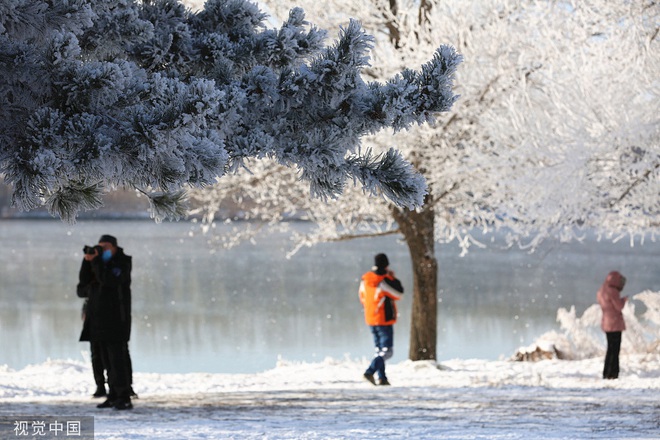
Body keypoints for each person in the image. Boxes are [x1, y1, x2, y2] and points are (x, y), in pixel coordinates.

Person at [78, 234, 134, 410]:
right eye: (100, 247)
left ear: (115, 247)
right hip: (97, 319)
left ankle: (124, 396)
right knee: (105, 360)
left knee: (117, 360)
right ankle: (112, 394)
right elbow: (82, 286)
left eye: (106, 247)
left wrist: (96, 263)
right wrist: (87, 261)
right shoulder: (98, 263)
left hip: (116, 319)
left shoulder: (122, 263)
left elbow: (109, 281)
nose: (103, 250)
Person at [358, 253, 404, 386]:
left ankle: (382, 378)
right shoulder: (382, 281)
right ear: (386, 265)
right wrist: (392, 278)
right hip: (383, 319)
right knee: (387, 351)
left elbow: (362, 297)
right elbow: (398, 293)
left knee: (379, 350)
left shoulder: (365, 280)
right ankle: (370, 371)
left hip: (370, 317)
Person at [596, 270, 628, 380]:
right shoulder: (613, 291)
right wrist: (623, 300)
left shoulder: (602, 290)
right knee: (615, 350)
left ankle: (606, 373)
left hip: (606, 322)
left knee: (609, 349)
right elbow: (619, 306)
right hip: (615, 323)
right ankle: (614, 373)